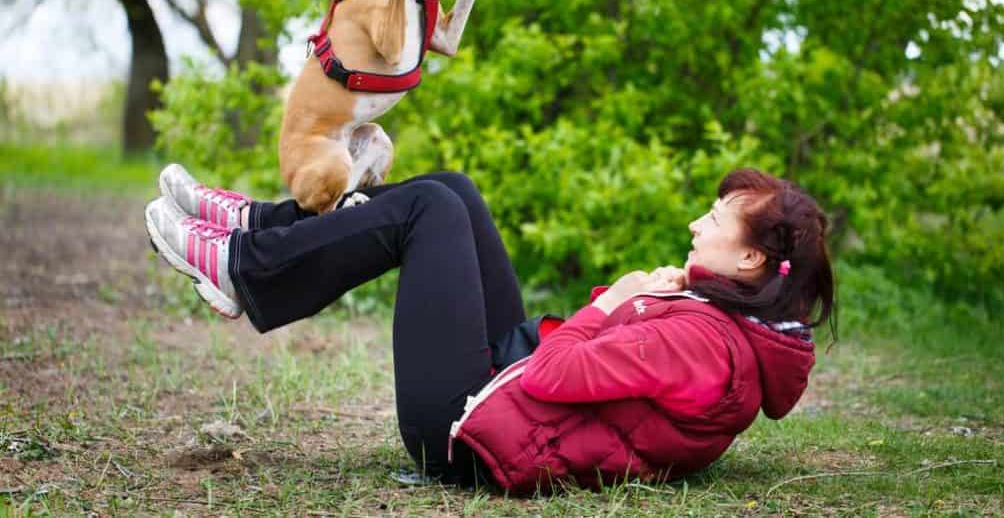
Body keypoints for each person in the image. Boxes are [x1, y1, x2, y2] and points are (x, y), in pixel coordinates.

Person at [144, 165, 835, 494]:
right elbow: (610, 375)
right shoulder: (724, 326)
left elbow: (561, 374)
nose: (695, 225)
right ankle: (265, 231)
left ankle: (247, 266)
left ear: (750, 258)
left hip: (469, 430)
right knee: (456, 192)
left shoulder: (706, 346)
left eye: (713, 223)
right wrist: (638, 299)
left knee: (429, 211)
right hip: (511, 389)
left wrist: (616, 300)